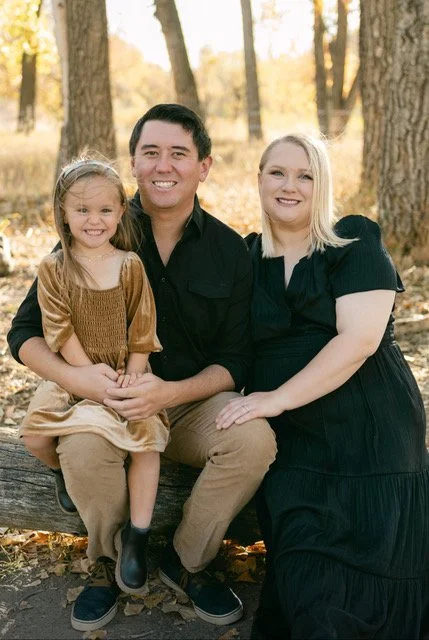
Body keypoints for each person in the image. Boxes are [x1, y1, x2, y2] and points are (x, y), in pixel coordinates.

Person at [7, 104, 277, 632]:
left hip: (190, 402)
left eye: (179, 153)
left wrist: (169, 394)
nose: (163, 165)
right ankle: (107, 563)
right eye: (150, 152)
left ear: (204, 166)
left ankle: (188, 559)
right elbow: (24, 333)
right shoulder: (95, 219)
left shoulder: (229, 249)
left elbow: (237, 360)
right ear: (133, 161)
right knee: (82, 447)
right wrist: (76, 379)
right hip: (102, 399)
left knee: (254, 439)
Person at [216, 132, 429, 639]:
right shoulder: (245, 257)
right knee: (309, 595)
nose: (290, 186)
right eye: (278, 173)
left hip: (371, 434)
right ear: (260, 179)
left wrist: (274, 398)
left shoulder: (353, 241)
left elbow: (358, 341)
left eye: (305, 175)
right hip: (297, 446)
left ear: (322, 184)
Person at [19, 157, 170, 602]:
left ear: (121, 211)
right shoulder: (54, 268)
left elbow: (143, 328)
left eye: (105, 210)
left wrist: (132, 377)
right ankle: (62, 472)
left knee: (147, 442)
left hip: (127, 373)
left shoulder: (129, 266)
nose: (94, 220)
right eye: (81, 210)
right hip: (76, 374)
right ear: (62, 212)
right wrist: (85, 376)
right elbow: (58, 328)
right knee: (34, 435)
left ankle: (137, 537)